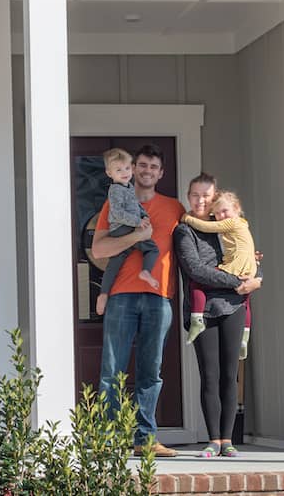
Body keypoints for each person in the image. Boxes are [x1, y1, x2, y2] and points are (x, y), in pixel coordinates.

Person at [90, 144, 183, 457]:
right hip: (121, 296)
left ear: (161, 173)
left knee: (150, 371)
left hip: (159, 298)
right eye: (142, 165)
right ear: (133, 168)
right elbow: (100, 250)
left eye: (153, 167)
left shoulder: (175, 208)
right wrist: (135, 238)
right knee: (111, 370)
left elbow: (199, 246)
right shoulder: (115, 203)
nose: (147, 171)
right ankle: (108, 440)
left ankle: (145, 439)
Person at [174, 174, 262, 458]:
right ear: (188, 197)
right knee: (209, 375)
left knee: (229, 376)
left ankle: (228, 440)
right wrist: (237, 281)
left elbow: (247, 256)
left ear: (214, 199)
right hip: (205, 311)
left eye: (206, 196)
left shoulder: (224, 227)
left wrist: (257, 277)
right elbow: (195, 270)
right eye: (195, 195)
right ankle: (212, 439)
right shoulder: (184, 231)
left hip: (235, 307)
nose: (201, 200)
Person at [179, 190, 256, 359]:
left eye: (224, 211)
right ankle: (245, 334)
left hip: (236, 269)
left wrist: (187, 218)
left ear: (236, 208)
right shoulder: (242, 224)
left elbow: (207, 226)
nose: (221, 216)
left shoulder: (231, 223)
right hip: (248, 268)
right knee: (245, 300)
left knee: (196, 283)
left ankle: (197, 319)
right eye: (217, 213)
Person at [96, 148, 161, 316]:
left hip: (127, 226)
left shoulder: (128, 187)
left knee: (116, 262)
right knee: (152, 248)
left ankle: (103, 294)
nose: (124, 173)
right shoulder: (116, 190)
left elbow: (135, 205)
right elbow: (118, 213)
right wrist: (138, 222)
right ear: (109, 173)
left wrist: (143, 214)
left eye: (126, 168)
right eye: (118, 170)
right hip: (122, 227)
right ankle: (146, 271)